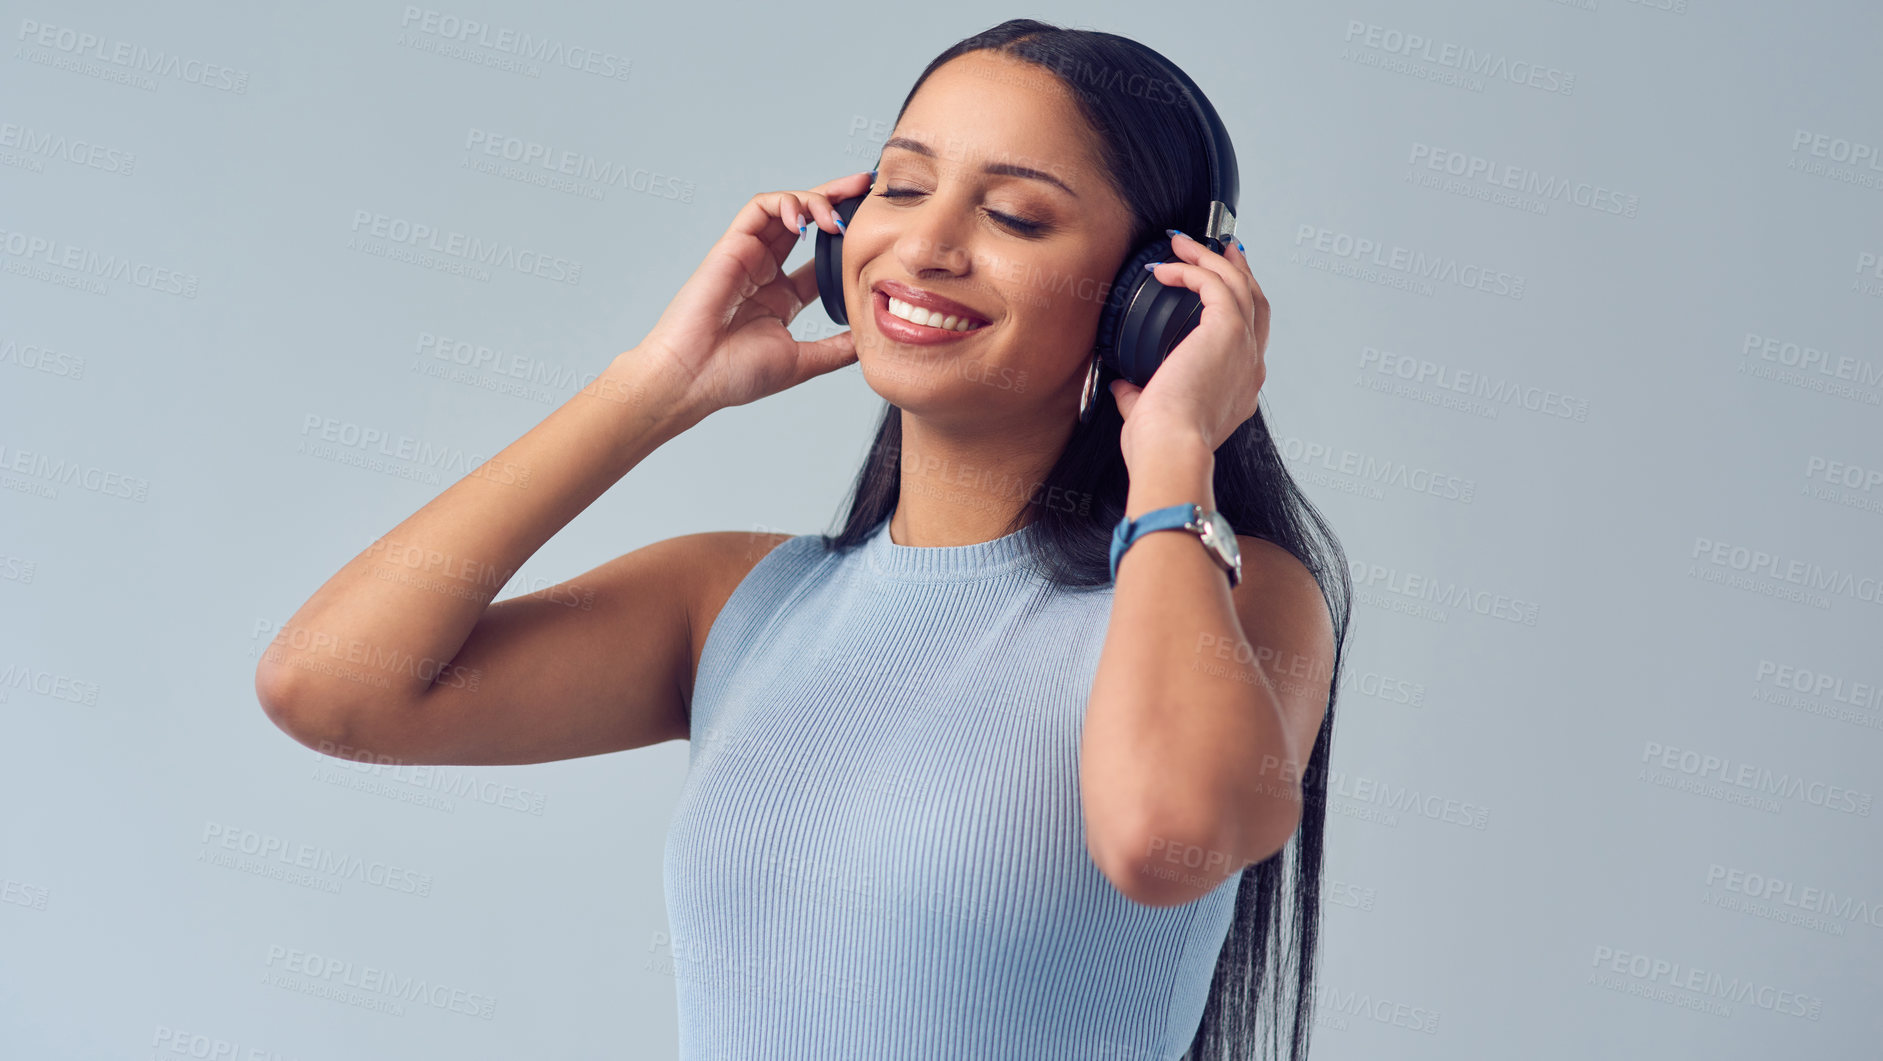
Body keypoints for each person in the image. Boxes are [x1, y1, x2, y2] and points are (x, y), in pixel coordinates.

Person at [255, 17, 1351, 1061]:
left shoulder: (1241, 596)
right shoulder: (734, 600)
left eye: (1013, 215)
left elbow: (1166, 838)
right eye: (901, 185)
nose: (923, 243)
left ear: (1147, 297)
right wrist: (657, 385)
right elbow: (333, 688)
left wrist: (1172, 444)